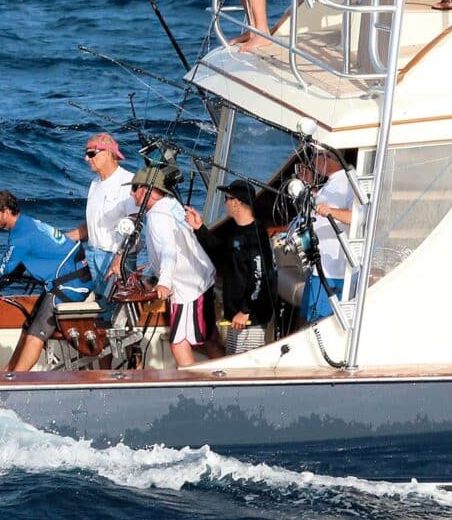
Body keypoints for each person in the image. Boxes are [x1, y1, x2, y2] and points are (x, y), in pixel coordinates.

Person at [0, 190, 93, 373]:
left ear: (6, 212)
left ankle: (16, 379)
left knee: (36, 332)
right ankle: (7, 375)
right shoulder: (24, 225)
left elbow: (3, 268)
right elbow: (16, 269)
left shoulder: (22, 236)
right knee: (28, 327)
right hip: (60, 282)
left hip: (72, 284)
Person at [130, 165, 223, 366]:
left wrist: (163, 283)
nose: (131, 193)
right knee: (208, 338)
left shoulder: (157, 216)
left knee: (178, 343)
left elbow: (169, 251)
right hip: (200, 280)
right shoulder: (171, 204)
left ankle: (196, 391)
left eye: (135, 187)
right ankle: (227, 380)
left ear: (148, 191)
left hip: (188, 288)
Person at [185, 179, 276, 355]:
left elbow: (261, 277)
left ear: (236, 203)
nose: (225, 203)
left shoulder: (256, 236)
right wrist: (199, 228)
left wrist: (245, 311)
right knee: (233, 359)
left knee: (245, 369)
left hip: (250, 320)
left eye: (227, 198)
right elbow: (220, 253)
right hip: (235, 316)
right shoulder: (235, 230)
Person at [64, 133, 138, 312]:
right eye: (86, 154)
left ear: (108, 153)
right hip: (93, 256)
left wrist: (120, 259)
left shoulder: (128, 182)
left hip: (116, 258)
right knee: (103, 309)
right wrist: (62, 238)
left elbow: (135, 225)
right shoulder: (95, 183)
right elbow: (93, 226)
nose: (86, 158)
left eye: (91, 153)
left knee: (118, 311)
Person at [298, 150, 354, 324]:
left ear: (327, 158)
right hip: (317, 266)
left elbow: (357, 217)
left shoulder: (349, 183)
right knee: (307, 319)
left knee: (319, 323)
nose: (312, 161)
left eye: (315, 156)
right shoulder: (332, 183)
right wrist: (310, 188)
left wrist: (331, 212)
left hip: (332, 272)